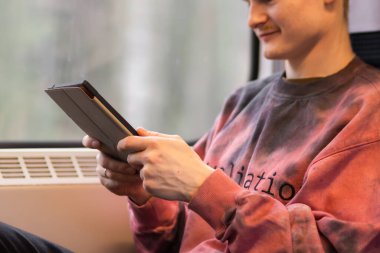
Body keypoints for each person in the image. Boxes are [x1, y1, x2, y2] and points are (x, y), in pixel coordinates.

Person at [0, 0, 379, 252]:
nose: (253, 19)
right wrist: (145, 194)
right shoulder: (244, 102)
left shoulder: (369, 113)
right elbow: (170, 241)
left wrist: (206, 188)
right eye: (247, 2)